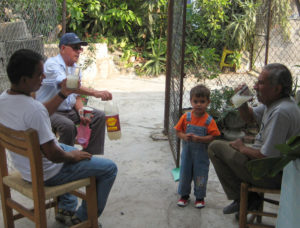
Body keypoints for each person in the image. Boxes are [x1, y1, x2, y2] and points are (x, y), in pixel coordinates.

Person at [0, 49, 117, 226]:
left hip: (26, 168)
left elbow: (41, 114)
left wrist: (63, 93)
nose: (43, 76)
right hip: (48, 173)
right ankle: (84, 217)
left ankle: (66, 207)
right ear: (24, 80)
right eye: (39, 74)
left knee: (67, 147)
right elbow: (54, 155)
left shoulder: (4, 100)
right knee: (109, 168)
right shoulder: (33, 110)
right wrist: (72, 156)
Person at [208, 63, 300, 215]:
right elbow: (249, 118)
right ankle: (247, 199)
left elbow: (266, 155)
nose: (256, 87)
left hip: (272, 174)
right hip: (269, 166)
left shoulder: (281, 112)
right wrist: (241, 99)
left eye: (261, 83)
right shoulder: (277, 103)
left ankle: (246, 199)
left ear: (277, 89)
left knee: (215, 147)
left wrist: (242, 148)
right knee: (224, 147)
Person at [36, 32, 111, 155]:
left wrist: (81, 111)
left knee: (99, 116)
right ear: (63, 48)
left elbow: (76, 96)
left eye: (80, 48)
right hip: (50, 111)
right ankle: (64, 160)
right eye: (75, 48)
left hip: (69, 111)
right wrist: (95, 92)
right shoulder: (52, 64)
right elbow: (68, 85)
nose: (79, 51)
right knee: (68, 126)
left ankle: (89, 156)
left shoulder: (75, 68)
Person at [174, 85, 221, 208]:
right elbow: (178, 131)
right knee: (185, 174)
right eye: (196, 101)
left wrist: (199, 139)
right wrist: (184, 137)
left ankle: (200, 197)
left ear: (208, 102)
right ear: (191, 101)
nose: (199, 104)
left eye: (202, 102)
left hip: (201, 156)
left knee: (200, 175)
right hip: (187, 155)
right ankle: (184, 196)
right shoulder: (186, 117)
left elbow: (213, 136)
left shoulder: (209, 121)